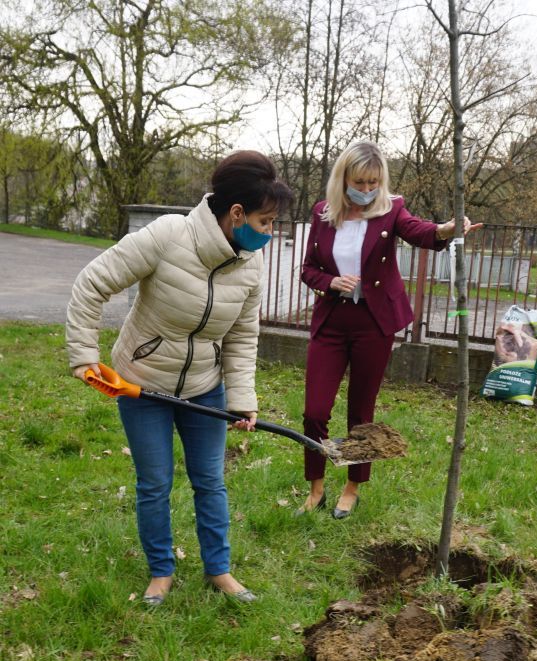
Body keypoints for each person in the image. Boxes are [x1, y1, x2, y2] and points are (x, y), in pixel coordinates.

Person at [65, 150, 293, 606]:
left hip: (205, 387)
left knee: (210, 480)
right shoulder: (169, 235)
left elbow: (243, 337)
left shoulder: (249, 264)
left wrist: (242, 398)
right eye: (266, 221)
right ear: (236, 213)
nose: (269, 232)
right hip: (142, 382)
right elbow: (92, 283)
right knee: (155, 483)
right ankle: (160, 571)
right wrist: (84, 356)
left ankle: (219, 570)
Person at [298, 139, 480, 518]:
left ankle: (351, 487)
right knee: (315, 410)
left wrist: (446, 229)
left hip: (373, 323)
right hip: (332, 322)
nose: (366, 190)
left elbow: (419, 232)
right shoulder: (322, 213)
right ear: (343, 178)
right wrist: (330, 282)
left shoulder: (391, 209)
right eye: (359, 182)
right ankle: (316, 488)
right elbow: (308, 269)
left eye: (373, 183)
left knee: (360, 413)